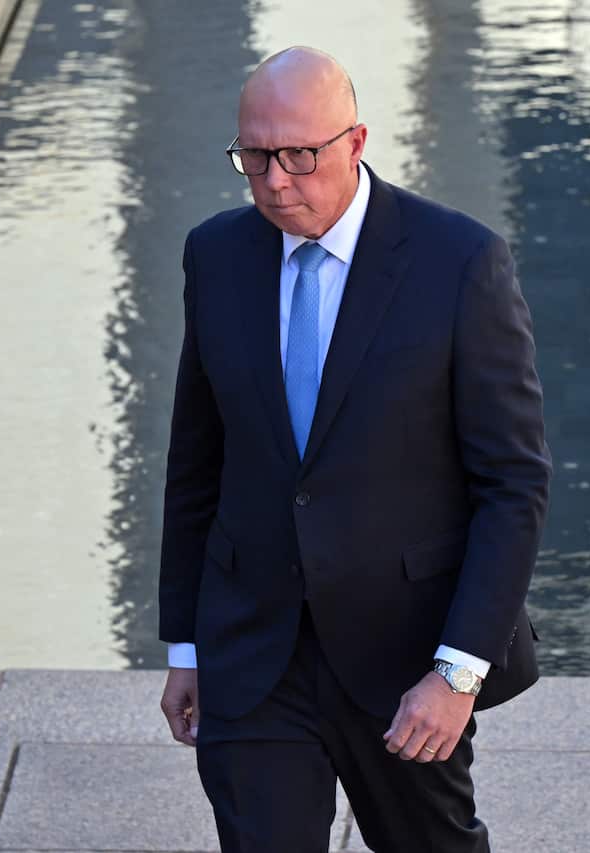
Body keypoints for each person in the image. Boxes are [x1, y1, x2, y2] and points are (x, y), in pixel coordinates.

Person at [156, 46, 551, 853]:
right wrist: (187, 644)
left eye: (299, 155)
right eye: (255, 156)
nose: (274, 180)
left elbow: (512, 485)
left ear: (356, 140)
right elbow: (196, 461)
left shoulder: (460, 263)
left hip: (405, 655)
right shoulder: (217, 254)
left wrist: (457, 672)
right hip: (253, 649)